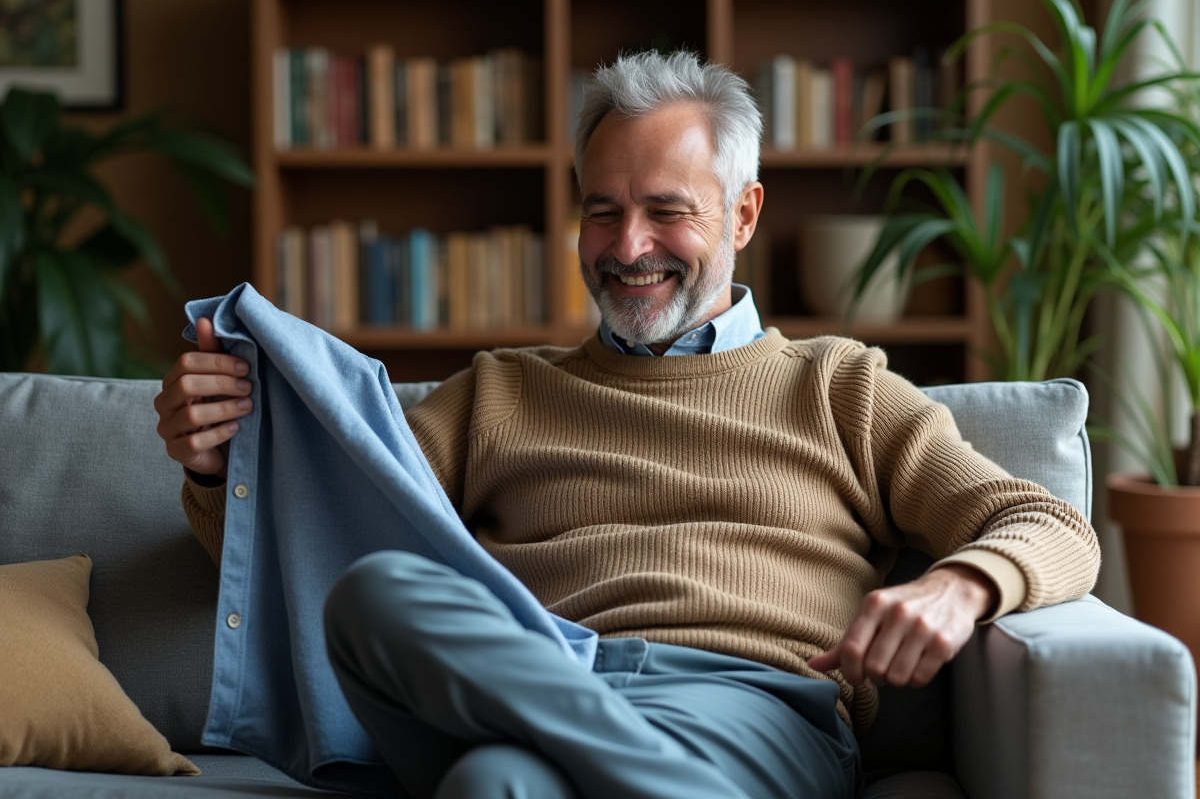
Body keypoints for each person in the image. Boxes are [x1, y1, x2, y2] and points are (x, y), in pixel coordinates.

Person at [154, 51, 1099, 799]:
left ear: (743, 214)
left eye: (665, 211)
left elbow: (1053, 525)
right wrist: (213, 468)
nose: (628, 246)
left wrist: (962, 587)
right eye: (602, 212)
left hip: (747, 712)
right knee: (373, 599)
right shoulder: (498, 393)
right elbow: (314, 536)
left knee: (493, 783)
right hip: (535, 680)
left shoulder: (839, 386)